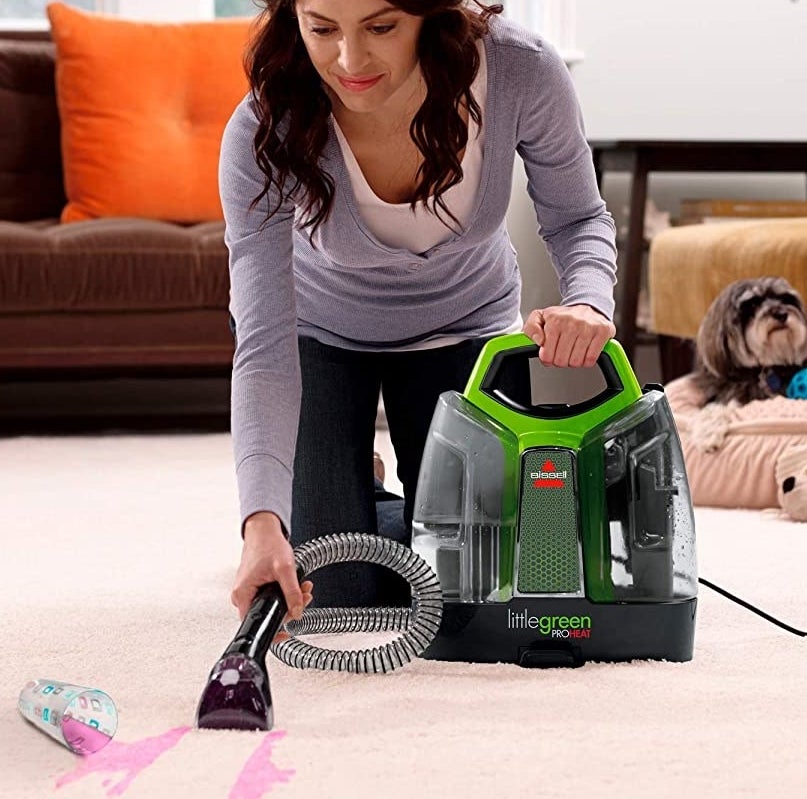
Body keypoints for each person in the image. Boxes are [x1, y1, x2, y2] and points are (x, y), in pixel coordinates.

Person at [223, 0, 618, 620]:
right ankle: (338, 489)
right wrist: (260, 523)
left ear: (430, 16)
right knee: (339, 592)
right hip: (321, 332)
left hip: (463, 328)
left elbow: (578, 216)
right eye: (321, 28)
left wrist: (588, 302)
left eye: (381, 27)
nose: (349, 60)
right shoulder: (260, 128)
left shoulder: (520, 70)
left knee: (470, 585)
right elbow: (264, 347)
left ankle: (361, 491)